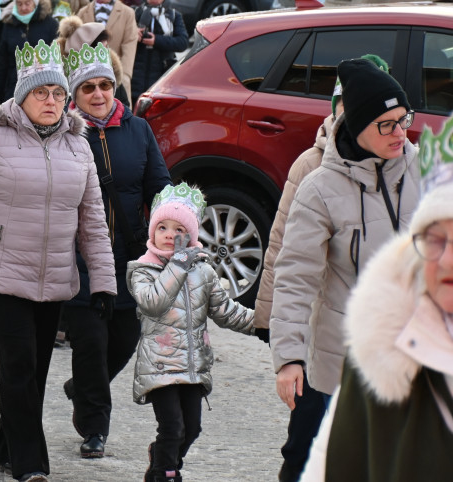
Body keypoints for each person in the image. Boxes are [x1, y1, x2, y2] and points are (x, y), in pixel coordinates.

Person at [0, 40, 116, 482]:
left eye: (58, 93)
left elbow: (93, 222)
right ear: (21, 97)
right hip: (1, 274)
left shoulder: (78, 147)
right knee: (18, 364)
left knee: (35, 370)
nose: (51, 101)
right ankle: (30, 464)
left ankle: (4, 451)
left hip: (54, 276)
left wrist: (103, 281)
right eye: (41, 93)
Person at [270, 58, 421, 459]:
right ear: (357, 125)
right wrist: (289, 358)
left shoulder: (426, 172)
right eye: (386, 125)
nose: (400, 133)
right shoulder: (319, 189)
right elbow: (295, 277)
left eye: (403, 120)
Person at [253, 55, 390, 482]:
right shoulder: (311, 167)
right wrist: (270, 319)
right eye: (343, 105)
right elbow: (283, 249)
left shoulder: (397, 169)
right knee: (307, 435)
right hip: (320, 330)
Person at [300, 114, 453, 479]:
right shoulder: (376, 358)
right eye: (434, 239)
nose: (447, 259)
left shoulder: (408, 172)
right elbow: (294, 269)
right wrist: (289, 356)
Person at [59, 42, 171, 459]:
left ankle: (82, 389)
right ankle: (94, 427)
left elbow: (158, 185)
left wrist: (176, 220)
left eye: (105, 85)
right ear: (75, 94)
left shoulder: (139, 130)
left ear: (115, 86)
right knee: (90, 342)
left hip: (128, 255)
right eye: (88, 88)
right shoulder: (63, 132)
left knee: (124, 338)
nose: (98, 94)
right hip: (79, 257)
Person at [128, 182, 255, 482]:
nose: (169, 234)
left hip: (193, 366)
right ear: (152, 232)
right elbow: (153, 303)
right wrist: (178, 265)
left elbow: (226, 311)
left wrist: (265, 323)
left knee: (192, 429)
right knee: (172, 427)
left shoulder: (204, 271)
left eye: (178, 229)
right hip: (160, 365)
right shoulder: (142, 270)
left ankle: (163, 459)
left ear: (191, 236)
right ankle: (166, 473)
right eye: (162, 227)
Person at [76, 0, 138, 100]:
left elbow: (129, 44)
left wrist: (124, 75)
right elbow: (78, 45)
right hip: (89, 76)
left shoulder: (127, 13)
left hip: (117, 76)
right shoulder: (83, 13)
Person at [0, 0, 58, 101]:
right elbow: (2, 60)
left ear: (35, 2)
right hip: (14, 86)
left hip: (43, 84)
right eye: (19, 4)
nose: (23, 8)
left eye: (27, 3)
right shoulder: (9, 25)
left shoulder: (50, 24)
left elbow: (57, 58)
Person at [131, 0, 188, 105]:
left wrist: (157, 40)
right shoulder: (136, 12)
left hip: (162, 72)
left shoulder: (174, 16)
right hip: (137, 73)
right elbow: (124, 38)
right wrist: (134, 35)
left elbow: (182, 42)